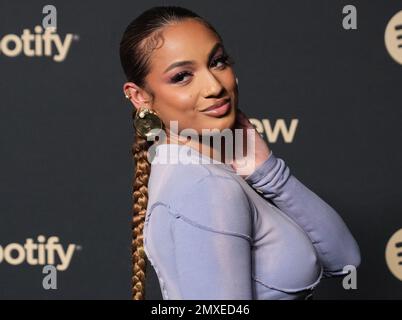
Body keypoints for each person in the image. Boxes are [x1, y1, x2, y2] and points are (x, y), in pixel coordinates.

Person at [119, 5, 361, 300]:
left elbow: (345, 262)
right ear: (140, 97)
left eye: (218, 62)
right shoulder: (204, 186)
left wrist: (269, 173)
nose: (214, 86)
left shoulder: (198, 170)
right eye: (182, 76)